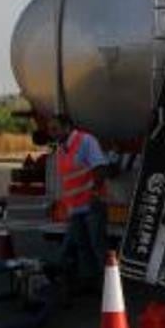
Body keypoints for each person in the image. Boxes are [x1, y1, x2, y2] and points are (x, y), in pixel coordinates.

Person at [47, 115, 109, 293]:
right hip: (75, 207)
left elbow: (100, 167)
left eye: (55, 129)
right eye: (50, 130)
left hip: (91, 204)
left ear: (67, 127)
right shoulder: (61, 150)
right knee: (82, 246)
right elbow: (67, 181)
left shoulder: (86, 141)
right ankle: (88, 281)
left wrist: (96, 194)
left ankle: (108, 285)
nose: (52, 134)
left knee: (98, 245)